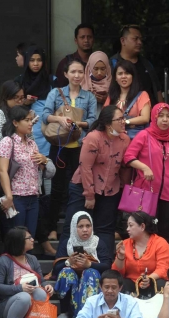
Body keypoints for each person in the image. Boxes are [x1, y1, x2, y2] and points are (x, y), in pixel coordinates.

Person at [61, 105, 130, 252]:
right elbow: (85, 167)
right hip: (82, 188)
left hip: (111, 190)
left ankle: (104, 266)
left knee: (106, 230)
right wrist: (90, 195)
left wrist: (124, 189)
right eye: (119, 119)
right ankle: (62, 265)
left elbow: (124, 167)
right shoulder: (93, 137)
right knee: (74, 227)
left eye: (124, 118)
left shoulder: (125, 139)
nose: (124, 122)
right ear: (108, 123)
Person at [42, 59, 97, 242]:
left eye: (80, 72)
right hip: (59, 146)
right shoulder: (55, 93)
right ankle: (51, 228)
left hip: (80, 147)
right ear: (65, 74)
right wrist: (60, 120)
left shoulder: (89, 96)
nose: (76, 75)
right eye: (73, 72)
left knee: (77, 188)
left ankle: (78, 226)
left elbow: (92, 121)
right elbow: (44, 115)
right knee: (57, 188)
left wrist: (75, 123)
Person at [124, 103, 169, 243]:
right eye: (161, 116)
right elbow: (128, 157)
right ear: (154, 117)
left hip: (168, 192)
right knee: (146, 229)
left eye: (168, 116)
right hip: (146, 191)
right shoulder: (144, 135)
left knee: (165, 230)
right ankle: (143, 262)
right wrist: (144, 168)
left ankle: (163, 263)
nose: (165, 120)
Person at [0, 106, 50, 245]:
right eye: (26, 120)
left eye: (31, 120)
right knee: (17, 240)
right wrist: (9, 197)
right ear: (15, 123)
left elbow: (39, 169)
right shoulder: (8, 142)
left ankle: (25, 266)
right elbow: (2, 170)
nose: (30, 123)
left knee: (29, 239)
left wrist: (44, 161)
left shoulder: (32, 143)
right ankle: (12, 266)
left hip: (33, 197)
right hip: (17, 198)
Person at [54, 211, 112, 318]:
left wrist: (89, 264)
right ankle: (65, 311)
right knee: (66, 272)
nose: (85, 230)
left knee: (90, 272)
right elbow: (56, 269)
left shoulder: (98, 242)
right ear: (73, 227)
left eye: (88, 226)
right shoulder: (67, 243)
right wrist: (69, 262)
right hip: (72, 279)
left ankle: (88, 313)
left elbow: (107, 266)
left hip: (90, 278)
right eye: (80, 226)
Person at [0, 227, 54, 318]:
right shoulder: (3, 261)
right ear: (18, 241)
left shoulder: (32, 259)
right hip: (7, 305)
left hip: (30, 303)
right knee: (24, 297)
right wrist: (20, 288)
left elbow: (41, 280)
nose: (33, 240)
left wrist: (46, 286)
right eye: (29, 238)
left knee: (41, 293)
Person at [112, 211, 169, 296]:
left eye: (131, 225)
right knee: (119, 284)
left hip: (152, 280)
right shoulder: (125, 244)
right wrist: (120, 256)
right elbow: (117, 273)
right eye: (127, 226)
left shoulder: (160, 243)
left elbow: (162, 269)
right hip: (131, 282)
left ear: (142, 226)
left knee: (161, 284)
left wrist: (149, 278)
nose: (127, 229)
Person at [16, 46, 54, 157]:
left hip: (48, 129)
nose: (36, 64)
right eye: (32, 60)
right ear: (27, 61)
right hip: (26, 128)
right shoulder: (19, 81)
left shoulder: (51, 80)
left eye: (39, 60)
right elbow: (11, 106)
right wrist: (24, 102)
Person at [110, 25, 162, 105]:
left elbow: (157, 91)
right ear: (123, 41)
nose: (139, 42)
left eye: (140, 39)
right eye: (135, 39)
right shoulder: (112, 63)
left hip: (151, 114)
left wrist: (161, 110)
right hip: (126, 115)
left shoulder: (147, 64)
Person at [104, 60, 151, 139]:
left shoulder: (142, 95)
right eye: (120, 73)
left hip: (136, 140)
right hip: (114, 139)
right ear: (115, 77)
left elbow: (145, 118)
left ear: (133, 76)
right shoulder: (111, 96)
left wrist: (125, 122)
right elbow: (104, 117)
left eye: (127, 73)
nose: (123, 76)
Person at [55, 23, 95, 88]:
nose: (86, 40)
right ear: (76, 40)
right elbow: (60, 91)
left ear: (93, 40)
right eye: (82, 37)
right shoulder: (66, 62)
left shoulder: (100, 62)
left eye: (89, 37)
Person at [0, 80, 25, 147]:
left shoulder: (23, 114)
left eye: (22, 98)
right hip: (5, 155)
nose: (20, 101)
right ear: (6, 97)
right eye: (16, 97)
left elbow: (30, 139)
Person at [82, 51, 112, 116]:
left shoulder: (113, 83)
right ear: (90, 68)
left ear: (107, 68)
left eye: (103, 69)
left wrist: (107, 99)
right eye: (95, 69)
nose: (99, 72)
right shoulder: (82, 82)